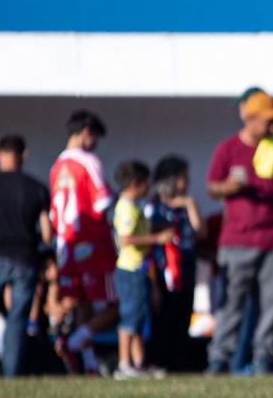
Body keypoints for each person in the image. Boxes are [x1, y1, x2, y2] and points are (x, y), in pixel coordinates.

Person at [205, 90, 273, 374]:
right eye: (267, 120)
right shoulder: (227, 149)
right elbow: (211, 186)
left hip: (272, 238)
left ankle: (264, 357)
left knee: (272, 304)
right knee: (231, 302)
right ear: (250, 119)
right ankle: (219, 358)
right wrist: (227, 188)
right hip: (236, 240)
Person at [49, 110, 120, 375]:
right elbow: (103, 202)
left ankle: (88, 363)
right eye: (95, 137)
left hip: (65, 246)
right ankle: (73, 342)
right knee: (115, 306)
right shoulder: (88, 162)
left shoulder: (57, 167)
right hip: (91, 244)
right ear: (87, 132)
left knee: (81, 304)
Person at [0, 134, 52, 377]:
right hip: (24, 258)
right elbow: (46, 233)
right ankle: (10, 374)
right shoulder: (36, 188)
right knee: (17, 319)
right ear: (24, 155)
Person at [112, 161, 172, 379]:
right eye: (146, 183)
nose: (149, 187)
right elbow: (126, 238)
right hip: (130, 269)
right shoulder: (126, 207)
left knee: (139, 317)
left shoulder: (136, 205)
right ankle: (124, 363)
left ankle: (138, 363)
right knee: (129, 316)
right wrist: (157, 238)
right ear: (135, 183)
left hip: (141, 269)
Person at [145, 155, 206, 369]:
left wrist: (190, 205)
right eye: (182, 178)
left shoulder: (186, 206)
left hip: (186, 269)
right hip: (163, 270)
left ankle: (177, 362)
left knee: (182, 315)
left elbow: (201, 232)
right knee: (163, 316)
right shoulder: (153, 207)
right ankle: (156, 360)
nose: (185, 182)